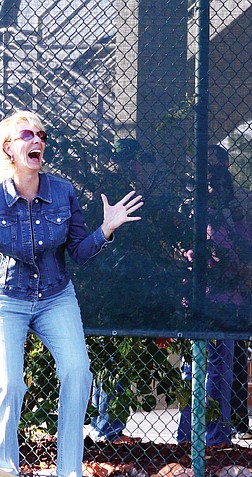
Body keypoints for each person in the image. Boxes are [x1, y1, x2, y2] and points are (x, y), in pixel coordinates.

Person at [0, 110, 143, 477]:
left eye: (40, 135)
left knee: (78, 372)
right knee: (8, 381)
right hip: (4, 299)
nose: (37, 140)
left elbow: (80, 252)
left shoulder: (62, 191)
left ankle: (69, 470)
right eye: (27, 135)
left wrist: (106, 229)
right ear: (8, 148)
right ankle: (6, 469)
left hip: (55, 297)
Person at [177, 159, 252, 447]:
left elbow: (247, 250)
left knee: (221, 369)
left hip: (227, 298)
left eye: (221, 184)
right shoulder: (190, 212)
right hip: (198, 295)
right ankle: (187, 435)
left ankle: (216, 436)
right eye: (209, 183)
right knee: (191, 369)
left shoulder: (234, 214)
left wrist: (234, 259)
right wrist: (201, 256)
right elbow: (183, 250)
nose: (215, 189)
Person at [88, 137, 156, 442]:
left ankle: (105, 425)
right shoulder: (110, 189)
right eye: (132, 160)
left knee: (111, 358)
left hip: (120, 280)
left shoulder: (124, 187)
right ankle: (107, 427)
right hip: (111, 281)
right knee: (110, 357)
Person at [207, 144, 252, 442]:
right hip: (204, 289)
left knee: (234, 357)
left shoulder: (241, 200)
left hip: (236, 288)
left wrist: (245, 266)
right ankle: (197, 429)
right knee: (203, 365)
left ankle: (236, 420)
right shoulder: (190, 202)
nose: (212, 175)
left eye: (217, 167)